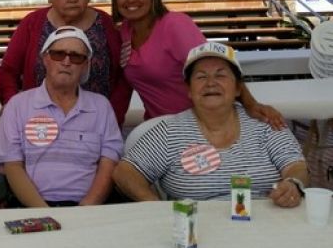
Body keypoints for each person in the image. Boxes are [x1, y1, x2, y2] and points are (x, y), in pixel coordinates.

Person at [112, 42, 308, 206]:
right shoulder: (170, 131)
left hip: (266, 225)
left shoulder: (265, 122)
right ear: (188, 90)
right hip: (195, 232)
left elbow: (296, 165)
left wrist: (293, 183)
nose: (210, 83)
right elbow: (125, 172)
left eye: (221, 75)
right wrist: (156, 206)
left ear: (238, 88)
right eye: (201, 77)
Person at [113, 0, 283, 126]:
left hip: (203, 125)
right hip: (160, 129)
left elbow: (216, 67)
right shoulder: (124, 32)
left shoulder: (174, 25)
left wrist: (251, 104)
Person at [0, 27, 123, 207]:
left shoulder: (101, 107)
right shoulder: (17, 106)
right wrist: (44, 212)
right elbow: (12, 166)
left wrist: (86, 209)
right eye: (58, 54)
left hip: (88, 209)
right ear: (45, 59)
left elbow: (109, 164)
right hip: (32, 207)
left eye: (76, 57)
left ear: (85, 65)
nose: (66, 62)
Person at [0, 0, 128, 124]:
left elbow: (122, 75)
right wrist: (13, 107)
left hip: (96, 123)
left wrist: (113, 115)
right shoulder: (32, 23)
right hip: (38, 123)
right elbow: (9, 71)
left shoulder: (105, 23)